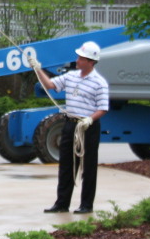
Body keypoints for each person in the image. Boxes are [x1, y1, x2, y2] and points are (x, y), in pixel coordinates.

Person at [30, 41, 109, 214]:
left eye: (81, 58)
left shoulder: (99, 82)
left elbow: (103, 108)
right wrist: (38, 69)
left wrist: (89, 120)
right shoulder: (71, 76)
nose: (77, 60)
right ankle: (62, 204)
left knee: (87, 167)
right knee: (66, 165)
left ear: (90, 61)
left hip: (88, 127)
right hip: (70, 125)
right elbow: (50, 85)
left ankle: (86, 205)